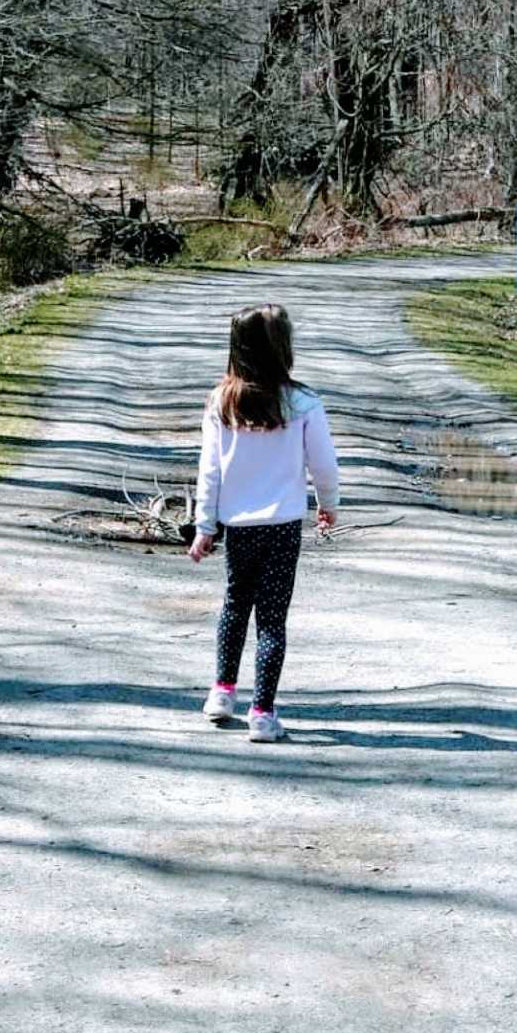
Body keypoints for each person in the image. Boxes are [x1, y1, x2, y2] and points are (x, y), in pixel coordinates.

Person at [188, 304, 340, 742]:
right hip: (283, 525)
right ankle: (262, 713)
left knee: (235, 606)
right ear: (283, 348)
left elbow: (209, 470)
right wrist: (327, 504)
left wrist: (206, 526)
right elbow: (324, 465)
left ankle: (221, 690)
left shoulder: (222, 402)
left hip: (238, 527)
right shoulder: (304, 403)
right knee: (272, 619)